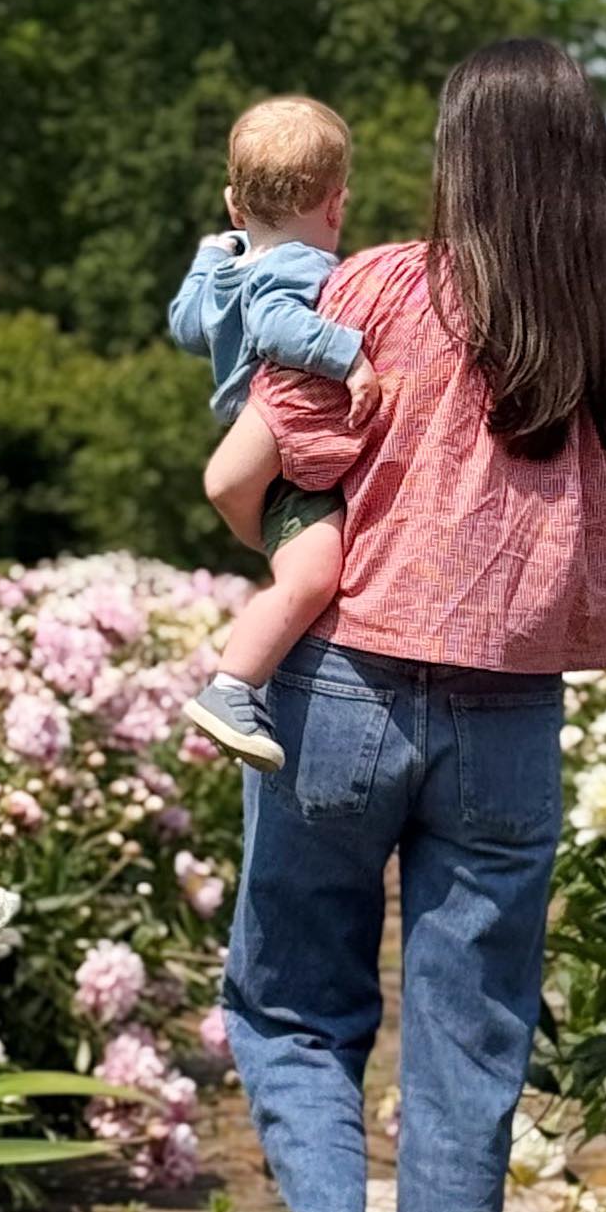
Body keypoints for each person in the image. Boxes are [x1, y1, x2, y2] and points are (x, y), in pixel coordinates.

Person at [202, 38, 606, 1212]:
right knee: (469, 1057)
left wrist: (279, 545)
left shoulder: (382, 288)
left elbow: (253, 469)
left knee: (291, 1001)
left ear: (457, 157)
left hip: (344, 685)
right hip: (510, 722)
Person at [169, 96, 381, 770]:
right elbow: (276, 327)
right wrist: (351, 356)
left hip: (259, 443)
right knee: (312, 577)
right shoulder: (301, 263)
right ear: (336, 205)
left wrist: (209, 259)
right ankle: (233, 687)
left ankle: (244, 682)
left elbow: (186, 327)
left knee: (307, 570)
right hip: (290, 455)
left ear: (235, 205)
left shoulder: (232, 267)